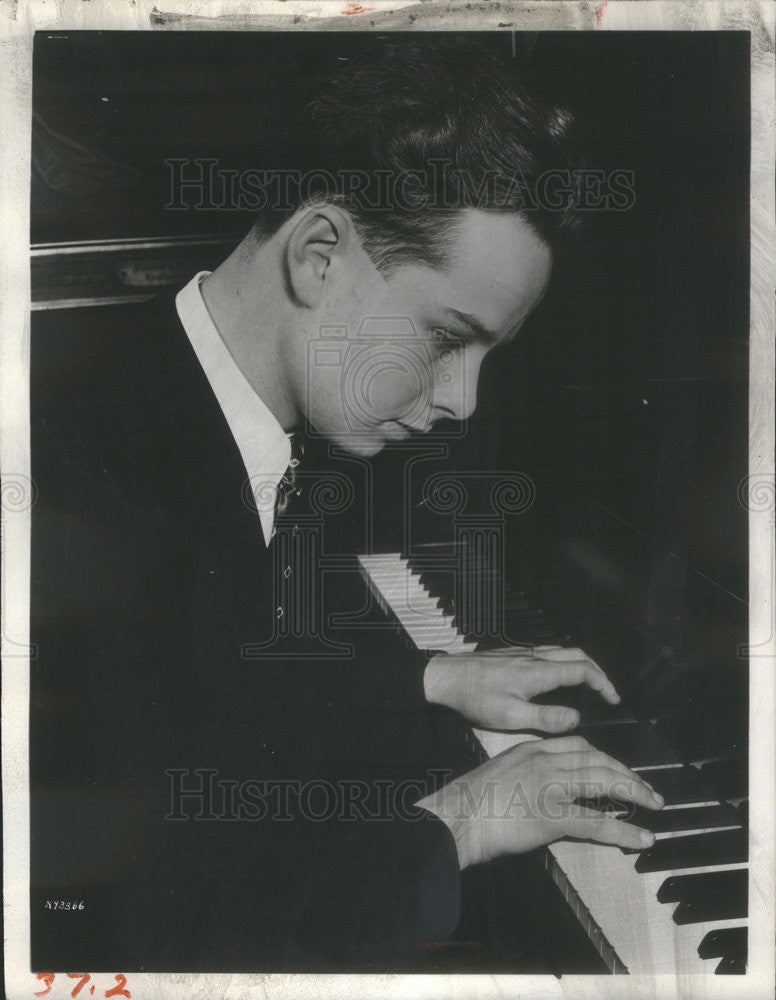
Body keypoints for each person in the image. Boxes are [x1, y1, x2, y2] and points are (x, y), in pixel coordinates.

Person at [30, 36, 662, 973]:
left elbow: (205, 684)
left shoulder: (163, 393)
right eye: (447, 337)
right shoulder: (80, 492)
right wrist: (457, 822)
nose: (464, 401)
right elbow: (143, 932)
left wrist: (427, 680)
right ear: (319, 255)